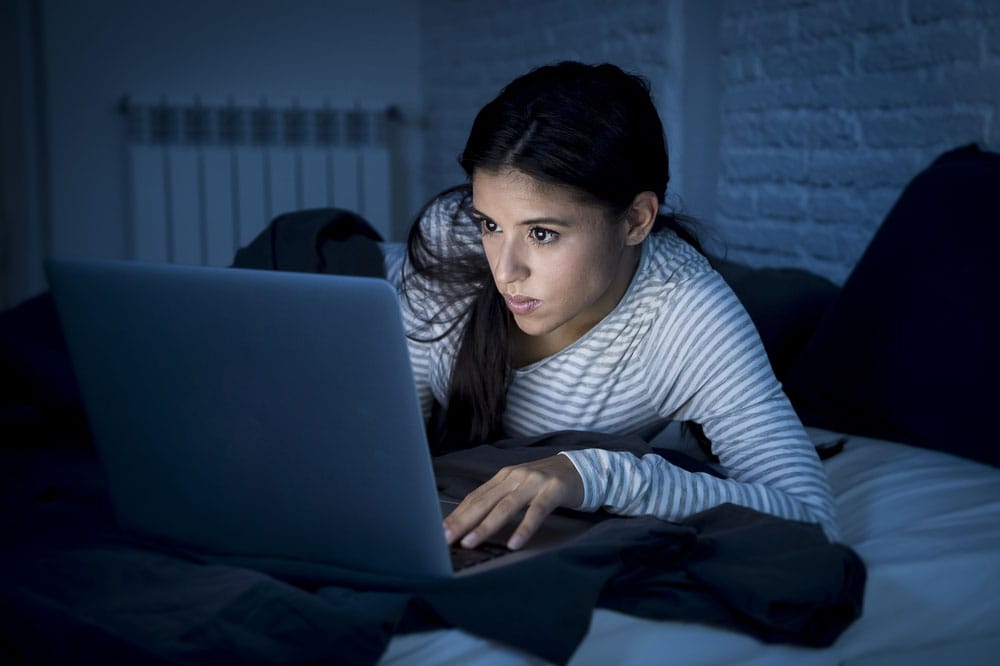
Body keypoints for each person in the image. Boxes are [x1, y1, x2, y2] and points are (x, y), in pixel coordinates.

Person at [393, 61, 838, 553]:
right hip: (374, 270)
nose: (504, 271)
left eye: (542, 234)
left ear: (635, 220)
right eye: (491, 225)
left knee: (796, 307)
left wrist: (598, 474)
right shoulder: (449, 237)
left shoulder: (688, 317)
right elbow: (390, 435)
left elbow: (811, 519)